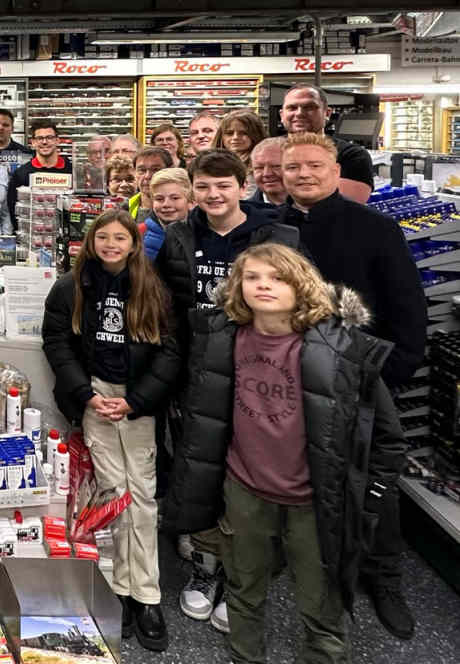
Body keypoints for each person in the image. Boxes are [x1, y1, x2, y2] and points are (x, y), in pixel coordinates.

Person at [165, 242, 405, 664]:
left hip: (315, 501)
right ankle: (245, 656)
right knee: (243, 589)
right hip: (245, 492)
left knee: (321, 604)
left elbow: (386, 434)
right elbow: (206, 414)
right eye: (252, 277)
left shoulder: (338, 349)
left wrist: (369, 496)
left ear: (302, 286)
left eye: (277, 278)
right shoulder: (221, 338)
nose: (263, 286)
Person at [280, 132, 427, 639]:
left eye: (314, 166)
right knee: (297, 471)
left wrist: (387, 375)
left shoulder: (376, 228)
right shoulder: (272, 229)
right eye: (292, 166)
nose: (303, 174)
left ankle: (383, 578)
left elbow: (408, 309)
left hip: (360, 377)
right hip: (290, 374)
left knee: (372, 483)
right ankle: (304, 559)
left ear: (334, 169)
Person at [155, 148, 300, 634]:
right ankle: (206, 567)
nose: (212, 195)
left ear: (242, 186)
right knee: (201, 473)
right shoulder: (178, 236)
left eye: (223, 185)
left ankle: (243, 581)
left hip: (257, 376)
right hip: (197, 375)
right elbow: (168, 306)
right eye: (204, 186)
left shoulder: (274, 236)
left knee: (251, 480)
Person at [42, 210, 180, 653]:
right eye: (102, 237)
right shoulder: (70, 287)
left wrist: (138, 400)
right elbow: (57, 344)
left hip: (137, 401)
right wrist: (84, 394)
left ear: (133, 243)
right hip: (96, 398)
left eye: (120, 238)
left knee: (141, 494)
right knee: (113, 492)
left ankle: (147, 596)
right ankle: (121, 589)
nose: (111, 245)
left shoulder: (152, 287)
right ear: (90, 241)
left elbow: (170, 352)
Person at [280, 83, 374, 203]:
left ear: (327, 113)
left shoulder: (352, 155)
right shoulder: (269, 152)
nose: (299, 113)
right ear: (282, 115)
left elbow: (347, 207)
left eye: (309, 107)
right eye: (292, 108)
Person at [7, 120, 72, 224]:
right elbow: (14, 210)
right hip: (33, 234)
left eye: (49, 137)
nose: (45, 142)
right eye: (40, 138)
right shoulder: (21, 174)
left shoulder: (71, 171)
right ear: (33, 142)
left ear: (57, 140)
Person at [140, 168, 193, 261]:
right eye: (159, 199)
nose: (166, 204)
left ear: (189, 200)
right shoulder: (139, 233)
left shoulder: (205, 233)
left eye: (175, 198)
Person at [212, 109, 267, 177]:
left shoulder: (263, 165)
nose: (235, 137)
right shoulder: (212, 162)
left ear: (256, 134)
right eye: (229, 133)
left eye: (243, 133)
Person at [129, 147, 172, 221]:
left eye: (155, 170)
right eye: (142, 170)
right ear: (134, 173)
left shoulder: (182, 210)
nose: (147, 176)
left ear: (170, 171)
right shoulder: (123, 208)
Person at [249, 137, 287, 205]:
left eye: (276, 166)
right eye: (259, 168)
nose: (267, 174)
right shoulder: (242, 213)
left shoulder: (310, 208)